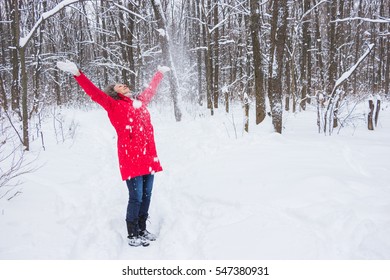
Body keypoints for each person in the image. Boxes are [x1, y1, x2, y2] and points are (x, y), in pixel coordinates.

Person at [56, 60, 170, 247]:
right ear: (114, 92)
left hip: (148, 156)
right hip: (131, 158)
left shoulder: (138, 102)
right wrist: (78, 74)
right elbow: (93, 93)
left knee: (147, 195)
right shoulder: (113, 105)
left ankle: (142, 229)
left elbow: (150, 90)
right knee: (137, 196)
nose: (124, 85)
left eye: (124, 84)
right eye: (119, 85)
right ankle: (133, 234)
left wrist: (159, 74)